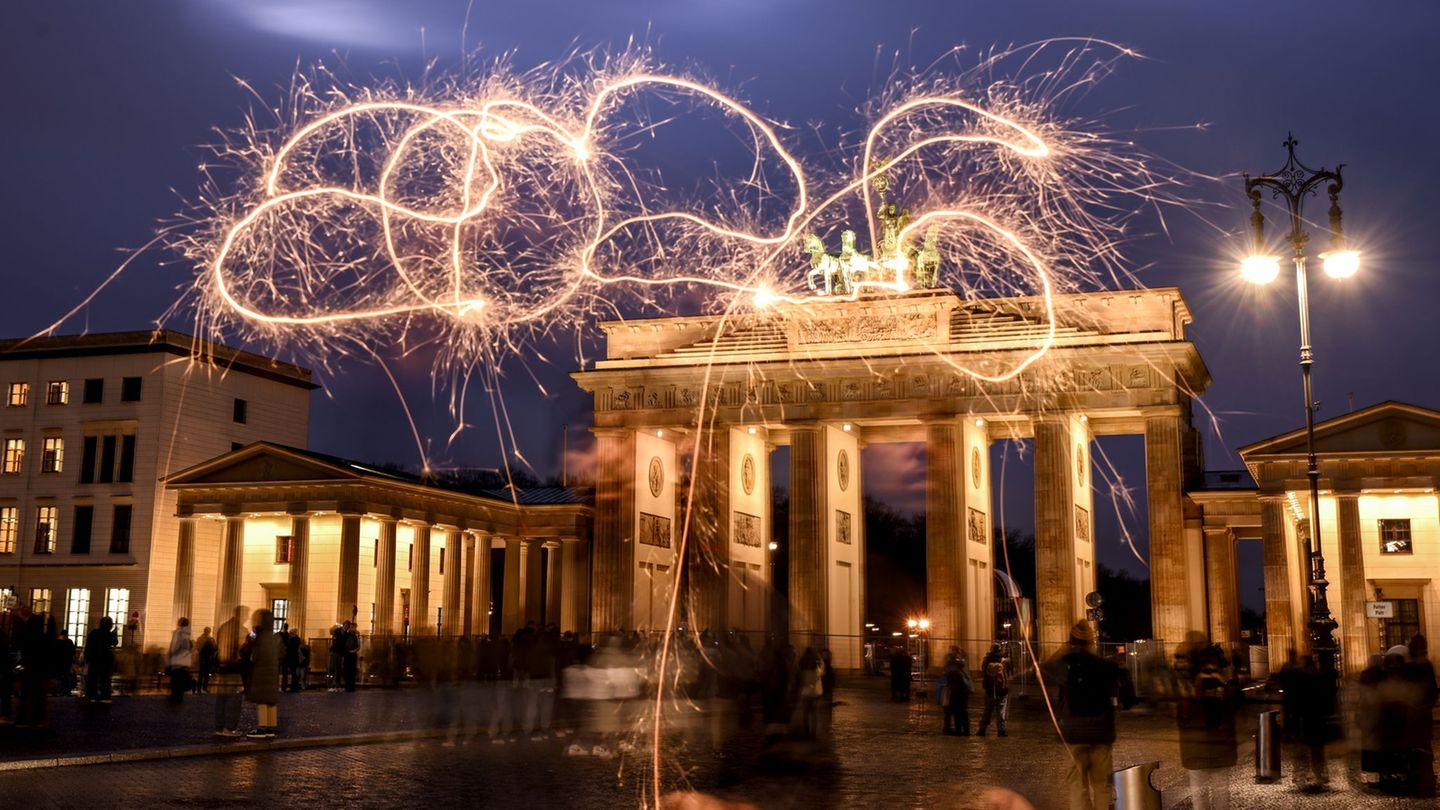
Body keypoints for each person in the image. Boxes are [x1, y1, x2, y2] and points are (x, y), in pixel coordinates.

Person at [1047, 621, 1118, 810]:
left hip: (1074, 735)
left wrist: (1066, 648)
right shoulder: (1104, 666)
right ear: (1091, 642)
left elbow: (1046, 668)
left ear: (1071, 642)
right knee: (1102, 785)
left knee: (1077, 786)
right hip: (1101, 734)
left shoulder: (1066, 664)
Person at [1176, 652, 1239, 810]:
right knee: (1221, 792)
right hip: (1220, 749)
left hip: (1196, 751)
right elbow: (1236, 708)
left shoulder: (1188, 692)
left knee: (1199, 795)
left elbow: (1181, 717)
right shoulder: (1224, 690)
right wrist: (1224, 683)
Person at [245, 609, 282, 738]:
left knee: (262, 701)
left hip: (261, 673)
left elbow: (255, 656)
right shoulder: (274, 637)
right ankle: (271, 727)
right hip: (272, 672)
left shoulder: (260, 637)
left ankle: (262, 728)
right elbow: (281, 654)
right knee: (271, 701)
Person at [83, 616, 118, 703]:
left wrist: (87, 657)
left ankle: (92, 695)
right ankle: (105, 696)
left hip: (94, 658)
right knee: (105, 678)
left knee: (93, 678)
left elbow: (88, 645)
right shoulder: (109, 634)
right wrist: (114, 634)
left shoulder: (94, 633)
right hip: (105, 659)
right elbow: (115, 642)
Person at [978, 644, 1010, 737]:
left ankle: (982, 729)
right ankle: (1001, 730)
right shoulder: (1003, 661)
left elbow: (983, 671)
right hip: (1002, 691)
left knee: (987, 710)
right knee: (1001, 712)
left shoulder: (987, 660)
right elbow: (1007, 672)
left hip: (989, 690)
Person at [941, 647, 973, 736]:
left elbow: (948, 681)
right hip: (963, 693)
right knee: (962, 712)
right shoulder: (962, 668)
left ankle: (959, 730)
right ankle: (965, 730)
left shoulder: (952, 670)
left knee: (956, 712)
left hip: (956, 693)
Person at [167, 617, 193, 703]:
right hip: (186, 661)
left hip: (177, 661)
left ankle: (174, 698)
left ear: (179, 623)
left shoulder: (178, 633)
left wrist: (171, 654)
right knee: (181, 681)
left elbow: (174, 647)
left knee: (175, 681)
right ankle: (179, 698)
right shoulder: (189, 634)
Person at [52, 628, 77, 697]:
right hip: (67, 663)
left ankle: (59, 691)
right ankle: (66, 691)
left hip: (59, 663)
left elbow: (54, 653)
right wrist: (73, 662)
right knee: (66, 678)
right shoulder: (69, 642)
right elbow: (73, 653)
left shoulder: (57, 642)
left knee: (59, 678)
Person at [194, 627, 217, 693]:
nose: (208, 632)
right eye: (208, 631)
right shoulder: (207, 639)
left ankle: (201, 688)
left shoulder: (204, 639)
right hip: (206, 658)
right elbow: (214, 648)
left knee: (204, 674)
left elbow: (215, 648)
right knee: (204, 674)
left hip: (205, 658)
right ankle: (202, 688)